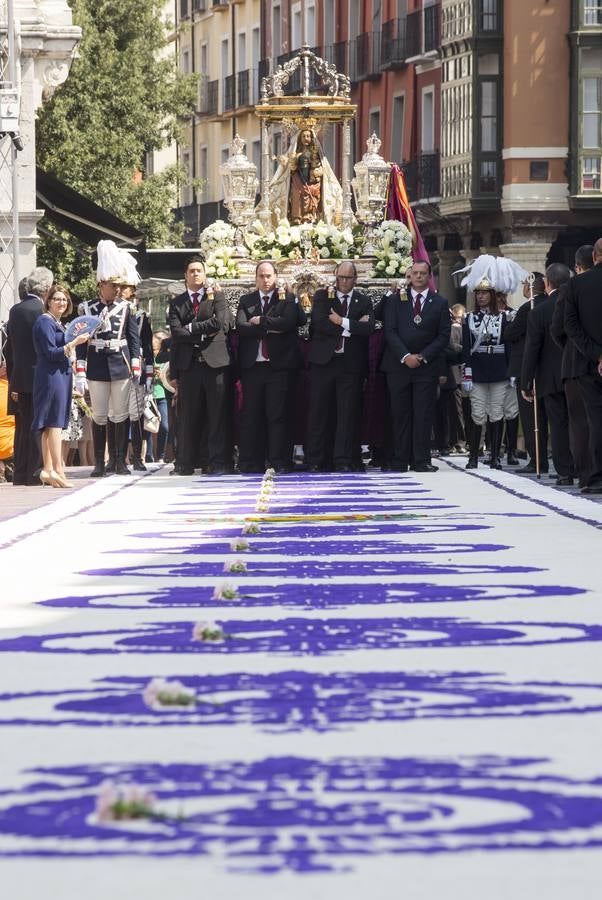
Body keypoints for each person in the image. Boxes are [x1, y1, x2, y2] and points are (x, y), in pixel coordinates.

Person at [75, 240, 141, 477]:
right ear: (100, 285)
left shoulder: (126, 308)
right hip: (97, 364)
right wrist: (80, 371)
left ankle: (119, 460)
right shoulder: (87, 308)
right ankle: (100, 463)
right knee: (100, 415)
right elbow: (81, 341)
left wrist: (136, 365)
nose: (115, 289)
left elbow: (134, 339)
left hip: (120, 365)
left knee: (120, 414)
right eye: (111, 285)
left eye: (117, 285)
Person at [381, 260, 450, 472]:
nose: (418, 277)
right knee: (400, 413)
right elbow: (389, 330)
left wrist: (422, 356)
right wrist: (405, 356)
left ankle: (421, 460)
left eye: (423, 273)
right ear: (409, 276)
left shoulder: (439, 302)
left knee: (423, 414)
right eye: (415, 273)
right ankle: (400, 459)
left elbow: (443, 335)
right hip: (399, 365)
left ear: (429, 276)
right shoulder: (395, 300)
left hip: (425, 367)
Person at [305, 261, 374, 472]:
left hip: (350, 365)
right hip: (324, 362)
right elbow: (319, 323)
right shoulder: (322, 296)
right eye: (340, 278)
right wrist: (352, 325)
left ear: (355, 279)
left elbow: (368, 328)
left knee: (347, 413)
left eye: (348, 278)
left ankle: (342, 459)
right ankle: (316, 459)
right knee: (319, 412)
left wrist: (341, 321)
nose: (343, 282)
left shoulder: (363, 300)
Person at [168, 256, 232, 476]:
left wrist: (193, 328)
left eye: (199, 271)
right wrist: (205, 331)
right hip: (190, 366)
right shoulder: (177, 302)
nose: (196, 274)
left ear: (205, 273)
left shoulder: (217, 296)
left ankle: (217, 462)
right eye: (191, 271)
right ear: (185, 276)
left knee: (217, 415)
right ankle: (185, 463)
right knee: (188, 416)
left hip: (215, 364)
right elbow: (177, 333)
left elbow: (222, 323)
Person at [236, 261, 301, 473]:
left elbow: (289, 322)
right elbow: (242, 327)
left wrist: (261, 321)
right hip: (253, 366)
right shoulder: (247, 300)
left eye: (269, 276)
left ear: (276, 277)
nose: (265, 280)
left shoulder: (285, 297)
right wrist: (271, 327)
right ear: (255, 278)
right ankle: (251, 461)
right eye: (261, 276)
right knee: (252, 414)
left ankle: (279, 460)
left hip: (278, 367)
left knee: (277, 415)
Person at [31, 285, 90, 488]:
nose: (61, 302)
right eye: (57, 298)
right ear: (48, 301)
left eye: (64, 299)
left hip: (60, 374)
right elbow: (50, 352)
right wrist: (74, 343)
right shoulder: (44, 322)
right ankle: (58, 468)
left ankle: (48, 469)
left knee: (51, 424)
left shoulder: (58, 323)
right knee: (53, 423)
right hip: (51, 375)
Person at [522, 263, 574, 485]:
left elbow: (532, 349)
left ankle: (565, 471)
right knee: (581, 422)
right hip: (578, 372)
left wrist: (526, 381)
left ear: (546, 283)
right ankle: (586, 467)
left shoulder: (539, 311)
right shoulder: (576, 303)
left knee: (559, 424)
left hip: (551, 377)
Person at [550, 245, 593, 488]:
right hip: (592, 359)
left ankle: (586, 474)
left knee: (579, 422)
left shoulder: (569, 289)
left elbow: (559, 328)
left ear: (578, 267)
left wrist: (572, 347)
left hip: (576, 362)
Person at [5, 267, 53, 485]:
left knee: (22, 427)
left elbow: (11, 349)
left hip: (19, 376)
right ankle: (36, 472)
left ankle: (21, 472)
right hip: (40, 374)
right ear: (46, 288)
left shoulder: (15, 310)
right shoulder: (42, 312)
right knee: (38, 424)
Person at [565, 237, 602, 494]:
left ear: (595, 256)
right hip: (592, 361)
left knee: (595, 418)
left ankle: (596, 476)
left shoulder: (576, 284)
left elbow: (570, 326)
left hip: (588, 363)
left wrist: (596, 355)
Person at [462, 277, 511, 470]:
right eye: (478, 293)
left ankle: (495, 456)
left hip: (499, 370)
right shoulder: (469, 318)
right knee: (477, 413)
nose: (481, 297)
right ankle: (473, 455)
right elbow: (466, 348)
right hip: (478, 371)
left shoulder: (503, 317)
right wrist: (466, 373)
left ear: (492, 296)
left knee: (497, 413)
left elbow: (508, 347)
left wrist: (512, 372)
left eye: (485, 293)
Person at [504, 273, 549, 474]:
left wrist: (509, 323)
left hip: (527, 368)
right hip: (547, 368)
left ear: (530, 287)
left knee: (531, 418)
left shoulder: (527, 308)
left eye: (524, 284)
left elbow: (510, 334)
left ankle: (536, 459)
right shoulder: (550, 303)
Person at [269, 126, 343, 226]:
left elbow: (321, 166)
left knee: (313, 194)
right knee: (296, 194)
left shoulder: (315, 153)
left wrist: (316, 170)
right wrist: (292, 162)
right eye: (303, 136)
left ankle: (311, 216)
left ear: (312, 138)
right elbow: (292, 167)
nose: (306, 138)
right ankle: (297, 217)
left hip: (312, 181)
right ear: (300, 138)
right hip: (298, 179)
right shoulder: (297, 153)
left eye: (308, 136)